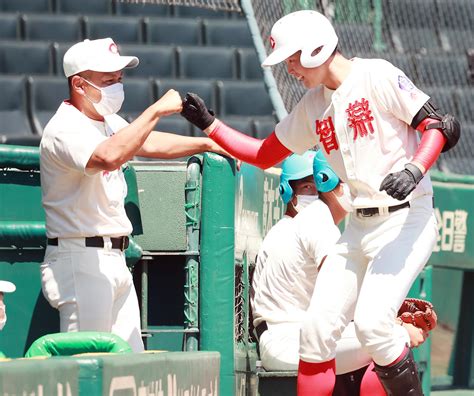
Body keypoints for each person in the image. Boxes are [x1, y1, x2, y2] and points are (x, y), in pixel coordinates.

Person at [180, 10, 460, 395]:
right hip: (359, 225)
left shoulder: (375, 73)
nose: (291, 69)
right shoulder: (314, 105)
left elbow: (435, 124)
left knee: (374, 325)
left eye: (293, 58)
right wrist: (212, 125)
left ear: (316, 48)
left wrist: (414, 169)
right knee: (314, 334)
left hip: (406, 220)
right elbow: (263, 154)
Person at [40, 38, 230, 353]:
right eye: (107, 80)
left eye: (119, 79)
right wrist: (155, 110)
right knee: (86, 367)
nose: (117, 85)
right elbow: (108, 156)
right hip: (80, 257)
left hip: (113, 259)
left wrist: (207, 143)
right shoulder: (64, 127)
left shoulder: (106, 121)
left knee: (127, 368)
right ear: (79, 83)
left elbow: (148, 142)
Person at [252, 151, 428, 395]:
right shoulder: (316, 217)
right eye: (308, 186)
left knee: (382, 334)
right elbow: (338, 289)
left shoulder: (296, 224)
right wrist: (400, 326)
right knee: (391, 337)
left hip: (286, 337)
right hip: (289, 340)